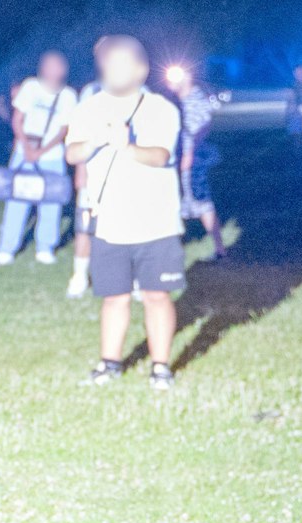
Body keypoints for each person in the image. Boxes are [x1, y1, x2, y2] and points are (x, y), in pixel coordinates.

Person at [66, 35, 185, 390]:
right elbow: (72, 153)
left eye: (120, 65)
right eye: (107, 64)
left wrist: (127, 146)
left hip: (155, 220)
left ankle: (160, 368)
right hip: (109, 220)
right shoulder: (89, 108)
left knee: (156, 295)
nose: (111, 71)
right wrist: (96, 140)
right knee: (114, 297)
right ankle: (109, 365)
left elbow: (161, 156)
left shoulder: (161, 108)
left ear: (141, 70)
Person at [0, 52, 77, 265]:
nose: (53, 71)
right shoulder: (30, 87)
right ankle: (7, 248)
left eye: (57, 66)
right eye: (49, 66)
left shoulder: (68, 95)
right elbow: (17, 119)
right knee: (17, 199)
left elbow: (63, 130)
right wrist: (26, 146)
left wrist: (41, 151)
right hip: (23, 154)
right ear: (42, 68)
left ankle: (45, 247)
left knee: (51, 201)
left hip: (52, 156)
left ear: (63, 70)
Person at [169, 65, 226, 259]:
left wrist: (189, 154)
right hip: (181, 158)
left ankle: (219, 248)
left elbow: (202, 127)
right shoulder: (178, 100)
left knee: (201, 202)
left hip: (192, 161)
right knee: (183, 203)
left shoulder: (195, 98)